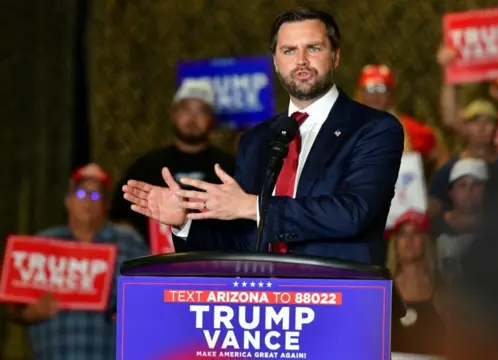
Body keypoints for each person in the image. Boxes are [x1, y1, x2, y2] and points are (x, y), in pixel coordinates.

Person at [120, 7, 404, 265]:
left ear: (336, 56)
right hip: (267, 308)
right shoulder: (256, 140)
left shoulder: (374, 128)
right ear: (276, 62)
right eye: (289, 51)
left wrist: (253, 205)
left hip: (342, 300)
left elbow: (354, 213)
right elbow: (245, 244)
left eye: (313, 48)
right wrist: (184, 224)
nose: (301, 61)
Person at [5, 164, 148, 360]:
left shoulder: (128, 241)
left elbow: (155, 295)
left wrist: (134, 311)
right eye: (81, 193)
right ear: (68, 201)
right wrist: (28, 314)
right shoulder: (43, 243)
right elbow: (12, 305)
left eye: (96, 195)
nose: (88, 200)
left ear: (106, 204)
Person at [109, 79, 235, 244]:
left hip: (214, 261)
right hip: (152, 264)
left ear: (212, 119)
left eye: (201, 111)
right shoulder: (146, 165)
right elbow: (119, 219)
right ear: (173, 114)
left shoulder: (228, 167)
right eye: (186, 109)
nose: (192, 118)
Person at [429, 99, 498, 215]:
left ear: (497, 127)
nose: (482, 127)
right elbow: (432, 204)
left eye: (489, 122)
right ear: (466, 127)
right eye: (475, 121)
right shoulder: (450, 168)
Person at [356, 64, 450, 170]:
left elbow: (441, 154)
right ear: (360, 93)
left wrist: (438, 184)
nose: (376, 96)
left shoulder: (409, 129)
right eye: (370, 89)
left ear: (391, 94)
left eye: (382, 89)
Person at [387, 210, 446, 356]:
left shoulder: (441, 289)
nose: (409, 239)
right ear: (395, 243)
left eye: (416, 232)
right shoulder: (383, 290)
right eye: (402, 234)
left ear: (425, 241)